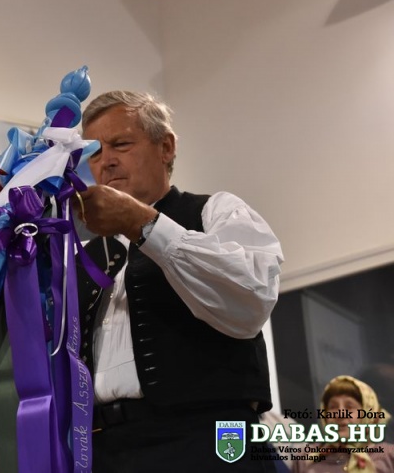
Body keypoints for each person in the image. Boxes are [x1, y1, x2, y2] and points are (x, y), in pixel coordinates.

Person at [76, 90, 285, 472]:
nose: (106, 161)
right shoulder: (83, 255)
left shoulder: (215, 211)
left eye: (121, 144)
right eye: (94, 152)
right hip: (104, 452)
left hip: (205, 442)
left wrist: (143, 224)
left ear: (166, 147)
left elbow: (251, 300)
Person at [290, 375, 394, 472]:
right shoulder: (307, 457)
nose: (340, 414)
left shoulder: (388, 456)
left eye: (349, 407)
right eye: (333, 407)